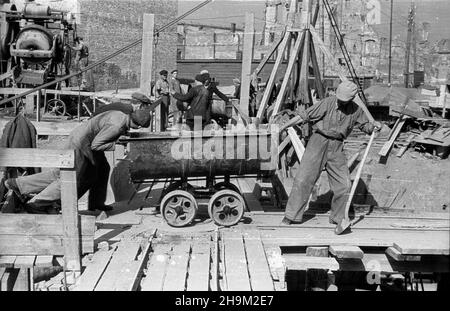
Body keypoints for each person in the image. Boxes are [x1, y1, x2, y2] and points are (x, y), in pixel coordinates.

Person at [4, 109, 151, 214]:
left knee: (102, 169)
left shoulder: (121, 115)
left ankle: (96, 203)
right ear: (137, 125)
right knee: (71, 179)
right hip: (81, 145)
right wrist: (118, 143)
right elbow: (97, 145)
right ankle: (36, 204)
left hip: (83, 139)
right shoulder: (117, 127)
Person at [280, 81, 382, 230]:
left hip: (337, 146)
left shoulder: (357, 110)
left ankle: (338, 218)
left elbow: (365, 126)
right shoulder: (327, 103)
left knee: (344, 184)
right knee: (303, 179)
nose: (340, 101)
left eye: (344, 100)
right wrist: (283, 126)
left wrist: (375, 127)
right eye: (340, 98)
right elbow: (304, 116)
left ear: (352, 98)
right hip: (318, 142)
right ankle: (291, 216)